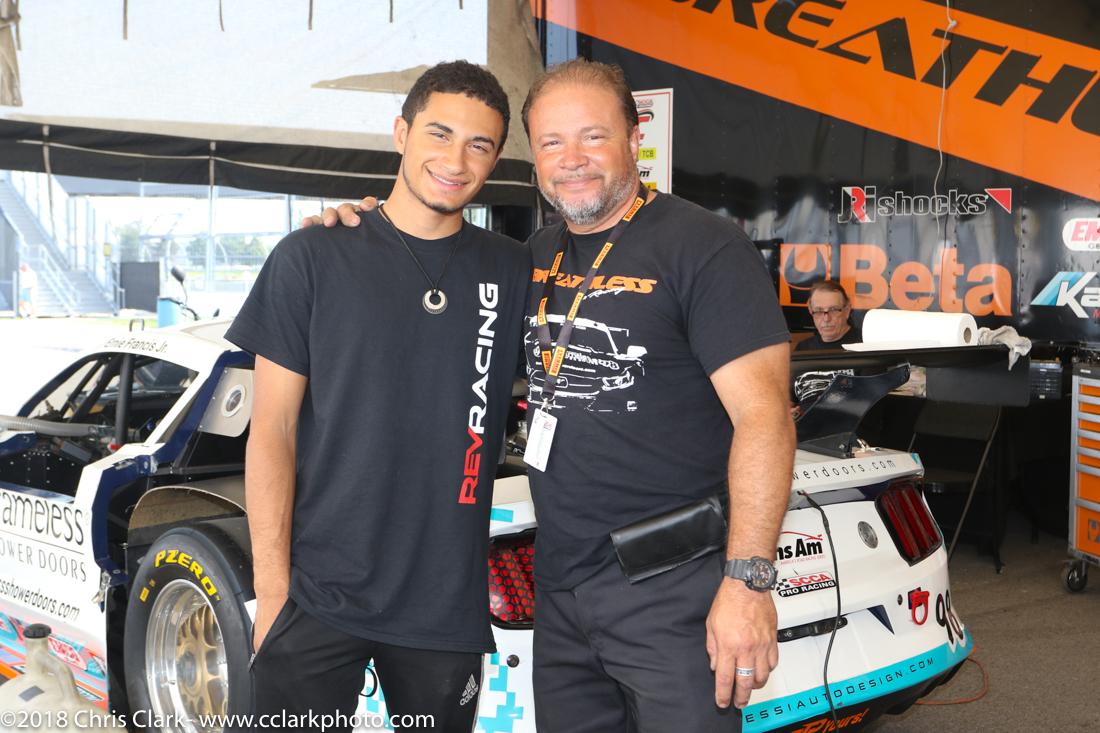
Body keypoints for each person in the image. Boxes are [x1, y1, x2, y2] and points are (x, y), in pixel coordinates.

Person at [318, 59, 795, 733]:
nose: (572, 159)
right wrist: (368, 228)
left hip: (674, 589)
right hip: (563, 590)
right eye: (551, 142)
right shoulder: (533, 254)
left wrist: (747, 584)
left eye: (593, 136)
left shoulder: (704, 247)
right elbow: (428, 294)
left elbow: (765, 416)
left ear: (635, 139)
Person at [226, 61, 529, 732]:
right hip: (316, 598)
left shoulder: (514, 268)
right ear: (401, 133)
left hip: (443, 610)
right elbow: (271, 431)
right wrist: (272, 594)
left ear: (495, 159)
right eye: (439, 133)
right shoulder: (311, 256)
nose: (456, 160)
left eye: (479, 144)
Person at [795, 279, 861, 351]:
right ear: (811, 311)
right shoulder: (803, 349)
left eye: (833, 310)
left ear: (847, 310)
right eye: (819, 311)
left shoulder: (865, 345)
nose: (826, 319)